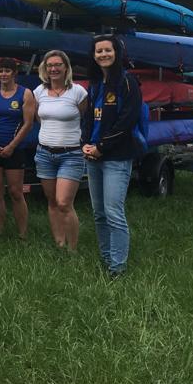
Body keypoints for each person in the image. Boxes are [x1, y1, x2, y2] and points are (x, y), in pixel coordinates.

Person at [82, 35, 143, 278]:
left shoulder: (127, 83)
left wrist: (102, 147)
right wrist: (85, 144)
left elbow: (126, 121)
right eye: (99, 51)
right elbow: (88, 119)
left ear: (117, 53)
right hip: (93, 155)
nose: (103, 55)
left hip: (116, 156)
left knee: (114, 211)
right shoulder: (96, 84)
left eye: (108, 50)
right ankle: (107, 258)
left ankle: (118, 267)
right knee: (98, 212)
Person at [34, 50, 87, 252]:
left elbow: (84, 117)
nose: (54, 69)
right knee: (52, 202)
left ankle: (73, 250)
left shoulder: (78, 92)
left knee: (64, 202)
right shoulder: (39, 91)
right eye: (50, 65)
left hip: (70, 154)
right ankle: (59, 243)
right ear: (45, 69)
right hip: (45, 153)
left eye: (58, 65)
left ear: (66, 68)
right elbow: (39, 118)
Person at [0, 58, 36, 239]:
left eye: (7, 71)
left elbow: (28, 123)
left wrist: (12, 146)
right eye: (1, 71)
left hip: (14, 149)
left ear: (14, 73)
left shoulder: (25, 93)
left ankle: (22, 233)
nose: (3, 74)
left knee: (15, 192)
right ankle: (0, 230)